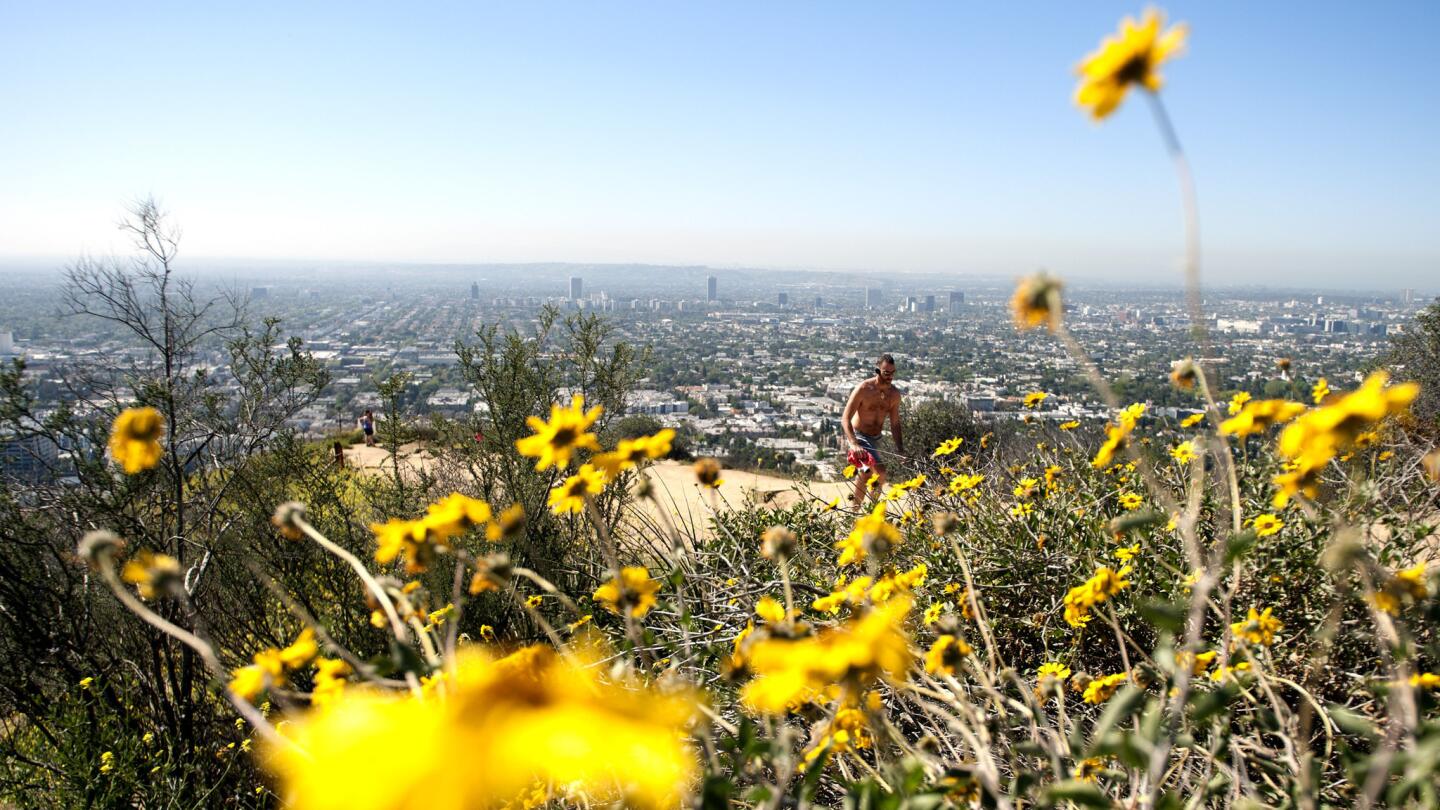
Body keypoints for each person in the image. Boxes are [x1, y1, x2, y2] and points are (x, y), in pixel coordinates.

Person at [841, 353, 906, 507]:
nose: (890, 377)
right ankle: (873, 509)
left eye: (893, 373)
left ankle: (854, 513)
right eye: (886, 373)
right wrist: (854, 443)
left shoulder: (894, 394)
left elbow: (895, 424)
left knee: (865, 474)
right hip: (859, 438)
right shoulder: (864, 389)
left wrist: (900, 448)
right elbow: (845, 418)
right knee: (881, 472)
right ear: (878, 371)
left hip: (875, 439)